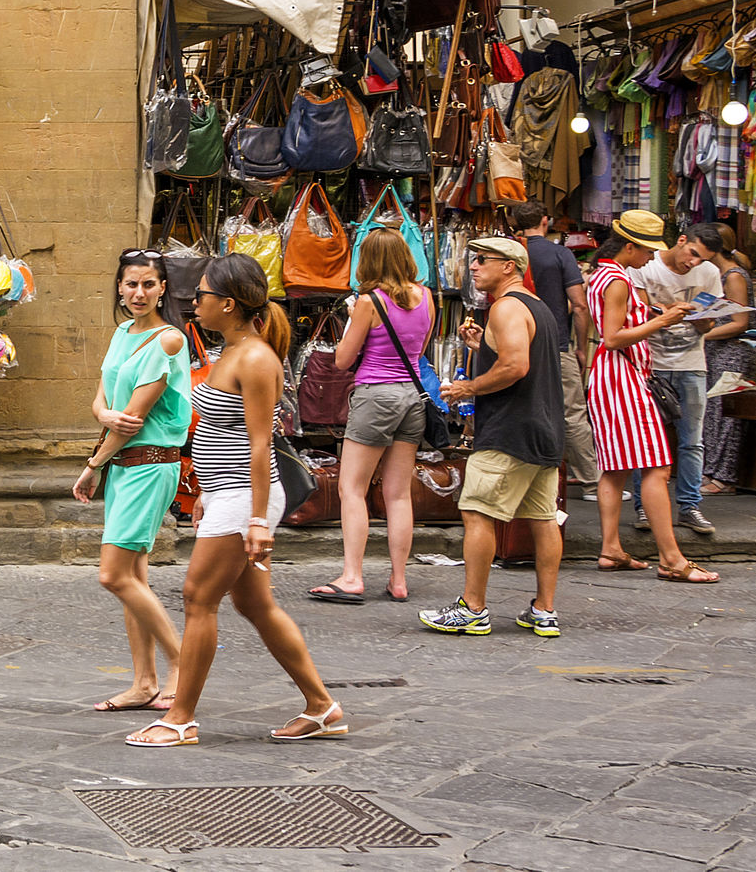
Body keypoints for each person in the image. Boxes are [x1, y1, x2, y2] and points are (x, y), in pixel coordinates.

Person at [128, 253, 343, 749]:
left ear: (227, 303)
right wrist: (204, 490)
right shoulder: (234, 352)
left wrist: (258, 521)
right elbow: (215, 433)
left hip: (245, 497)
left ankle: (180, 718)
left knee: (198, 599)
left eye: (200, 295)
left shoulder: (255, 358)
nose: (193, 303)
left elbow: (261, 443)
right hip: (228, 494)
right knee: (255, 604)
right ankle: (322, 706)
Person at [418, 236, 565, 638]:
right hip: (544, 429)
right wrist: (482, 347)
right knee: (543, 518)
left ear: (510, 267)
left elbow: (516, 366)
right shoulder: (539, 309)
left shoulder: (506, 307)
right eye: (473, 260)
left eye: (483, 260)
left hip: (510, 431)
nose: (474, 267)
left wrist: (470, 387)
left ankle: (473, 608)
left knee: (477, 513)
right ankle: (544, 610)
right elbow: (523, 360)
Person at [70, 249, 193, 714]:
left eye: (148, 284)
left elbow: (133, 420)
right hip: (124, 466)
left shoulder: (168, 341)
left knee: (113, 575)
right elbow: (103, 401)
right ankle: (144, 682)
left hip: (147, 464)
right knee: (133, 577)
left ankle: (182, 661)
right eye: (130, 284)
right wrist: (102, 418)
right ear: (119, 288)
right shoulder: (122, 333)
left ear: (163, 288)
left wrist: (93, 463)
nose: (138, 293)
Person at [587, 211, 719, 581]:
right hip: (622, 376)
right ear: (630, 246)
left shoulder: (603, 275)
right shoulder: (617, 280)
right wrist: (661, 321)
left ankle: (611, 549)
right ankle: (672, 559)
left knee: (615, 470)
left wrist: (662, 313)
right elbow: (613, 336)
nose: (649, 259)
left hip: (609, 376)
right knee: (657, 466)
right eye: (646, 251)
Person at [309, 228, 436, 607]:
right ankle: (399, 579)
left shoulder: (369, 302)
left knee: (353, 488)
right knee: (398, 493)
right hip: (412, 398)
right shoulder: (427, 297)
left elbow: (343, 360)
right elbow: (419, 350)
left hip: (375, 396)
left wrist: (353, 320)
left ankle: (352, 576)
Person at [628, 217, 728, 535]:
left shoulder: (709, 274)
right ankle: (644, 507)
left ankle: (689, 506)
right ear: (682, 240)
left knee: (692, 441)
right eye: (693, 253)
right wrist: (669, 310)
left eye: (702, 259)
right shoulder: (646, 266)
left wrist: (699, 317)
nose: (693, 263)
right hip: (651, 363)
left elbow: (709, 325)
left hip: (691, 362)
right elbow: (639, 312)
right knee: (645, 439)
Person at [507, 200, 598, 490]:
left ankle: (521, 476)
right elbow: (580, 306)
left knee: (518, 407)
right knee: (572, 412)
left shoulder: (508, 254)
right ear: (545, 221)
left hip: (515, 343)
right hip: (556, 343)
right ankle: (591, 481)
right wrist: (581, 346)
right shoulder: (560, 254)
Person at [694, 227, 756, 494]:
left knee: (725, 414)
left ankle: (724, 477)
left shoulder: (734, 277)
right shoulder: (715, 276)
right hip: (714, 352)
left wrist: (703, 335)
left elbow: (740, 322)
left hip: (732, 353)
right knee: (711, 414)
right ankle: (712, 472)